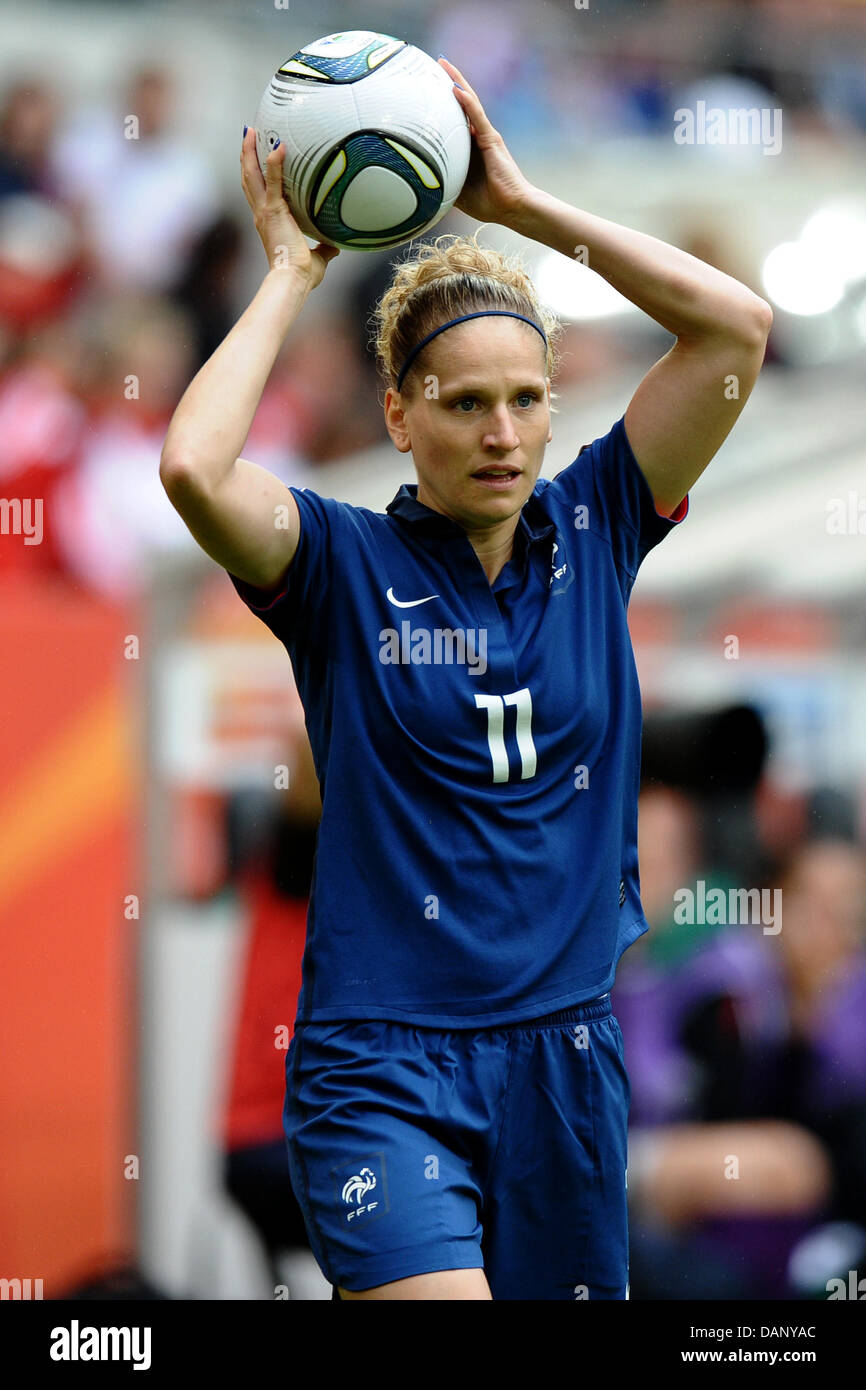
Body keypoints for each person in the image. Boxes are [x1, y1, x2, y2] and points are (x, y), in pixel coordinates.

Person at [159, 57, 772, 1299]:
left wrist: (523, 207)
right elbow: (193, 468)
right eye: (464, 404)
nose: (500, 432)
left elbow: (733, 328)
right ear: (398, 413)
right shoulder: (340, 562)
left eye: (524, 400)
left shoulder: (601, 519)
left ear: (554, 410)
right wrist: (293, 268)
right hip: (381, 1066)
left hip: (565, 1063)